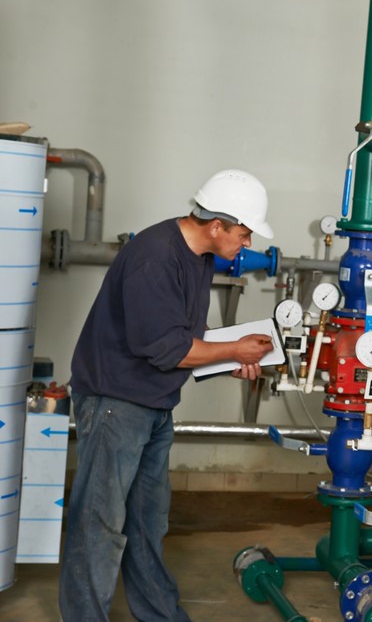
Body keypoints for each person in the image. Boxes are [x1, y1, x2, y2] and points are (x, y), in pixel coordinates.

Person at [59, 169, 276, 621]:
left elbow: (180, 335)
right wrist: (233, 348)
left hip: (153, 404)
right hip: (114, 402)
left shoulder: (198, 257)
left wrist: (228, 359)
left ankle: (159, 614)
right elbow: (164, 347)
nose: (248, 242)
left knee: (147, 522)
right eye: (243, 232)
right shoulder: (154, 257)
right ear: (216, 224)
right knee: (99, 524)